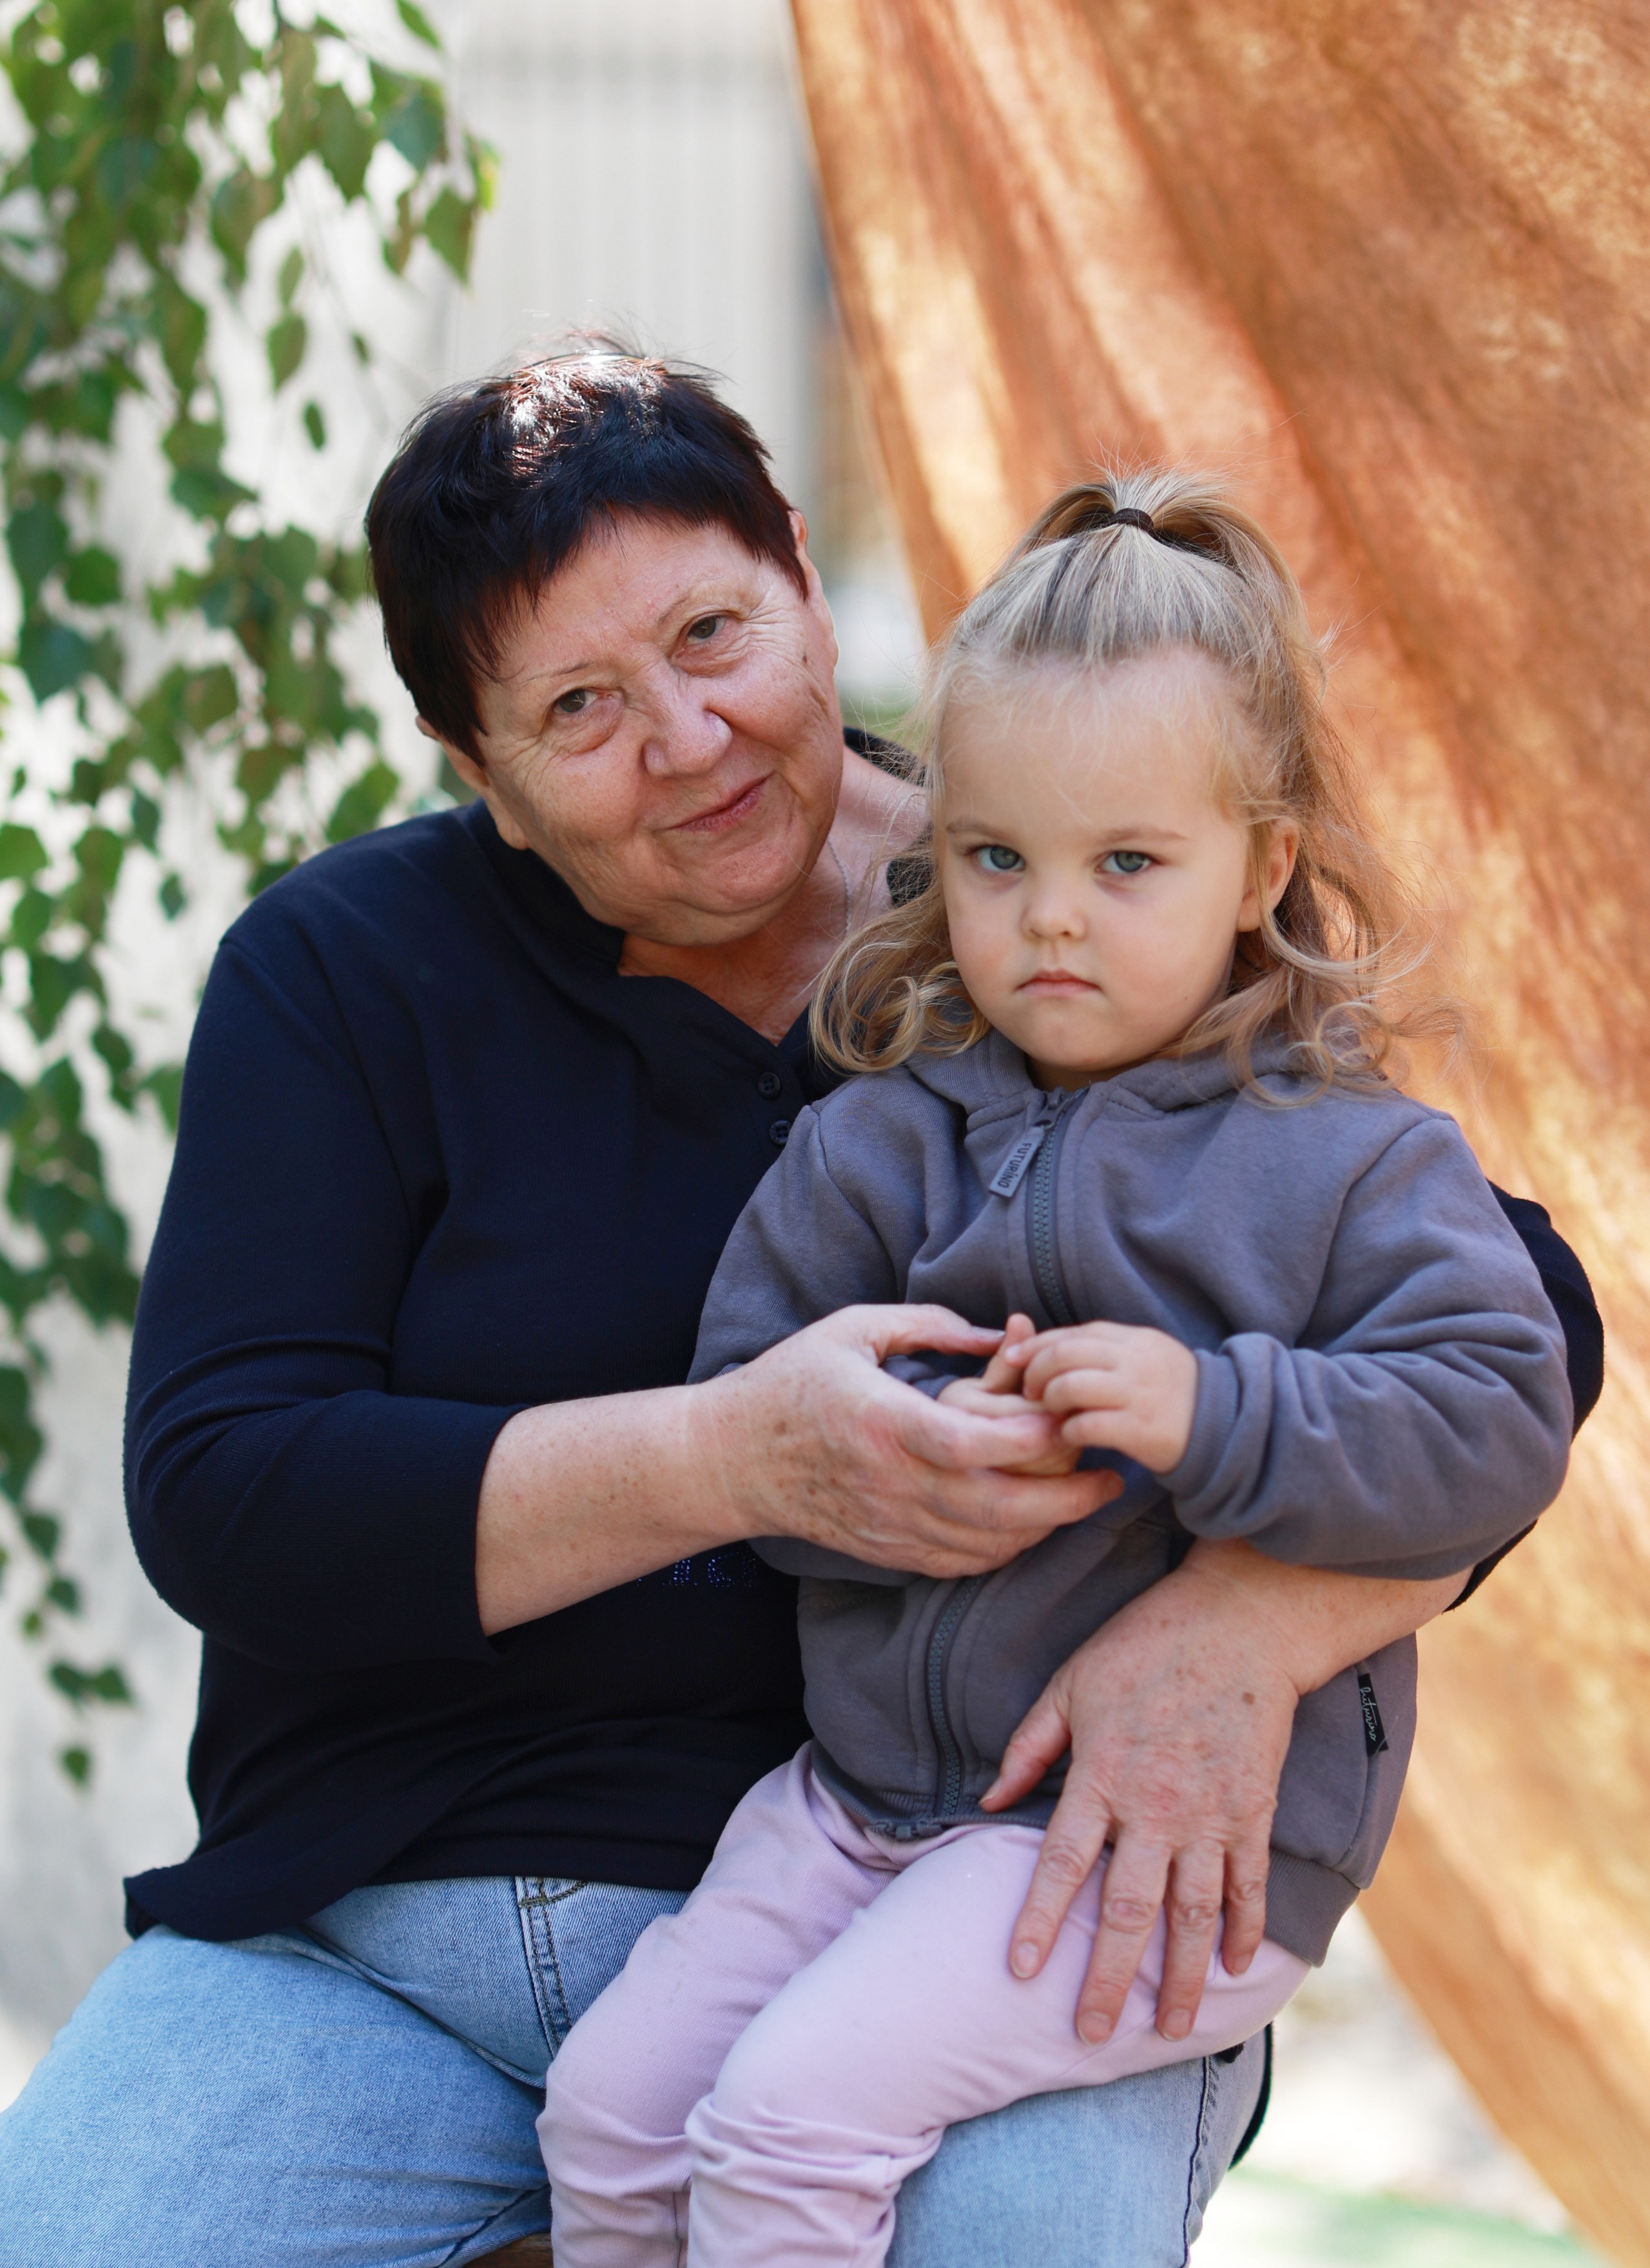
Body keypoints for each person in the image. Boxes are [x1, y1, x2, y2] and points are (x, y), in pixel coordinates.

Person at [0, 361, 1602, 2268]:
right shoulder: (348, 976)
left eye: (713, 633)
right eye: (578, 709)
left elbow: (1517, 1331)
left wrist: (1246, 1625)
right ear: (478, 773)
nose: (686, 737)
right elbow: (228, 1494)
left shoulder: (1055, 879)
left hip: (974, 1887)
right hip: (377, 1943)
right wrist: (732, 1455)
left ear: (809, 593)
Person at [537, 470, 1575, 2265]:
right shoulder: (884, 1135)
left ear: (1262, 868)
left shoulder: (1349, 1161)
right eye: (998, 860)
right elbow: (755, 1397)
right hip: (863, 1799)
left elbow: (1496, 1410)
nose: (1054, 921)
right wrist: (890, 1459)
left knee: (789, 2124)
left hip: (1133, 1851)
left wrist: (1219, 1410)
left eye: (1130, 865)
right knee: (616, 2111)